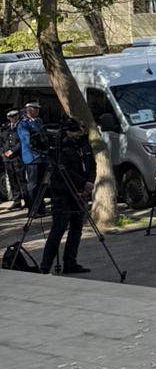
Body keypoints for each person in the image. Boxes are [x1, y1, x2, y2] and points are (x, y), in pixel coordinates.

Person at [38, 117, 95, 275]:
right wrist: (83, 183)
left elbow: (92, 165)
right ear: (66, 132)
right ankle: (45, 266)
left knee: (76, 229)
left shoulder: (84, 144)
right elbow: (63, 171)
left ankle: (70, 262)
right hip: (63, 193)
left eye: (79, 131)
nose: (77, 134)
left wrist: (89, 183)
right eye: (74, 131)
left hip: (82, 192)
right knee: (58, 229)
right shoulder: (60, 149)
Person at [17, 101, 48, 214]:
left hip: (42, 156)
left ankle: (41, 208)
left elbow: (44, 135)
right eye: (35, 108)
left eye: (38, 108)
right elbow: (27, 139)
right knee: (33, 185)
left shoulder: (39, 121)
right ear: (29, 110)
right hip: (32, 157)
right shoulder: (23, 123)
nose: (38, 110)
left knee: (42, 184)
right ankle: (33, 209)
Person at [2, 108, 24, 207]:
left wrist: (13, 151)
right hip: (7, 158)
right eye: (11, 116)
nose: (13, 118)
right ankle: (17, 200)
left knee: (21, 179)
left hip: (17, 156)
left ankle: (27, 199)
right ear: (8, 117)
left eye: (15, 116)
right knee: (12, 180)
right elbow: (1, 142)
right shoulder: (5, 127)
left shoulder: (21, 126)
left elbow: (22, 141)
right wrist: (2, 153)